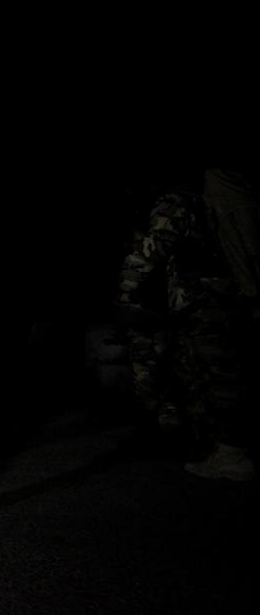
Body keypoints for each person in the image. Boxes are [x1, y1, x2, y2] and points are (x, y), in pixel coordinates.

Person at [115, 168, 257, 480]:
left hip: (204, 298)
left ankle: (233, 453)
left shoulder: (174, 202)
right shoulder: (203, 201)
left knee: (219, 375)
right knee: (207, 373)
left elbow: (153, 248)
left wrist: (126, 289)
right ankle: (219, 449)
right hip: (215, 296)